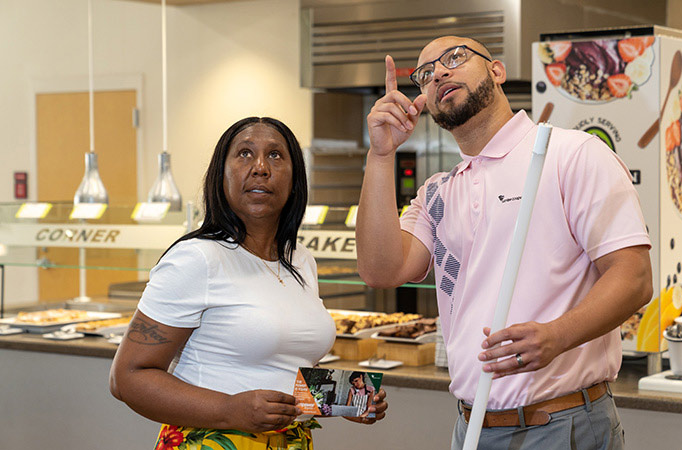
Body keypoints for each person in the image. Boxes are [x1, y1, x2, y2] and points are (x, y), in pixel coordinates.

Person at [356, 36, 652, 449]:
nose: (439, 72)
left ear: (496, 71)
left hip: (562, 423)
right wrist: (381, 155)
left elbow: (634, 277)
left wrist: (557, 336)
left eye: (454, 57)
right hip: (471, 428)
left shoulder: (571, 154)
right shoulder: (439, 191)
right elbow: (381, 270)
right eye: (425, 74)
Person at [110, 117, 387, 450]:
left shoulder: (300, 261)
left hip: (290, 441)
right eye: (244, 154)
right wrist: (229, 410)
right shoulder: (197, 258)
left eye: (275, 155)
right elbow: (127, 378)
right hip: (211, 441)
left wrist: (348, 398)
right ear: (221, 175)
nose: (260, 167)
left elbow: (279, 364)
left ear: (295, 180)